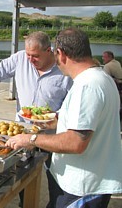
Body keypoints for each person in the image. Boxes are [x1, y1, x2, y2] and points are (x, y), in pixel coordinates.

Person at [6, 28, 122, 208]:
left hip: (82, 187)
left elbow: (76, 142)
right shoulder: (102, 77)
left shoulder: (87, 86)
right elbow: (91, 123)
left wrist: (31, 139)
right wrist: (58, 121)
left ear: (60, 53)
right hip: (88, 181)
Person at [0, 31, 73, 208]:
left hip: (52, 135)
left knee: (57, 178)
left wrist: (57, 116)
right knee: (23, 175)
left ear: (49, 51)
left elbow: (72, 103)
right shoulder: (20, 59)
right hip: (23, 133)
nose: (30, 60)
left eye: (35, 56)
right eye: (28, 55)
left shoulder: (64, 69)